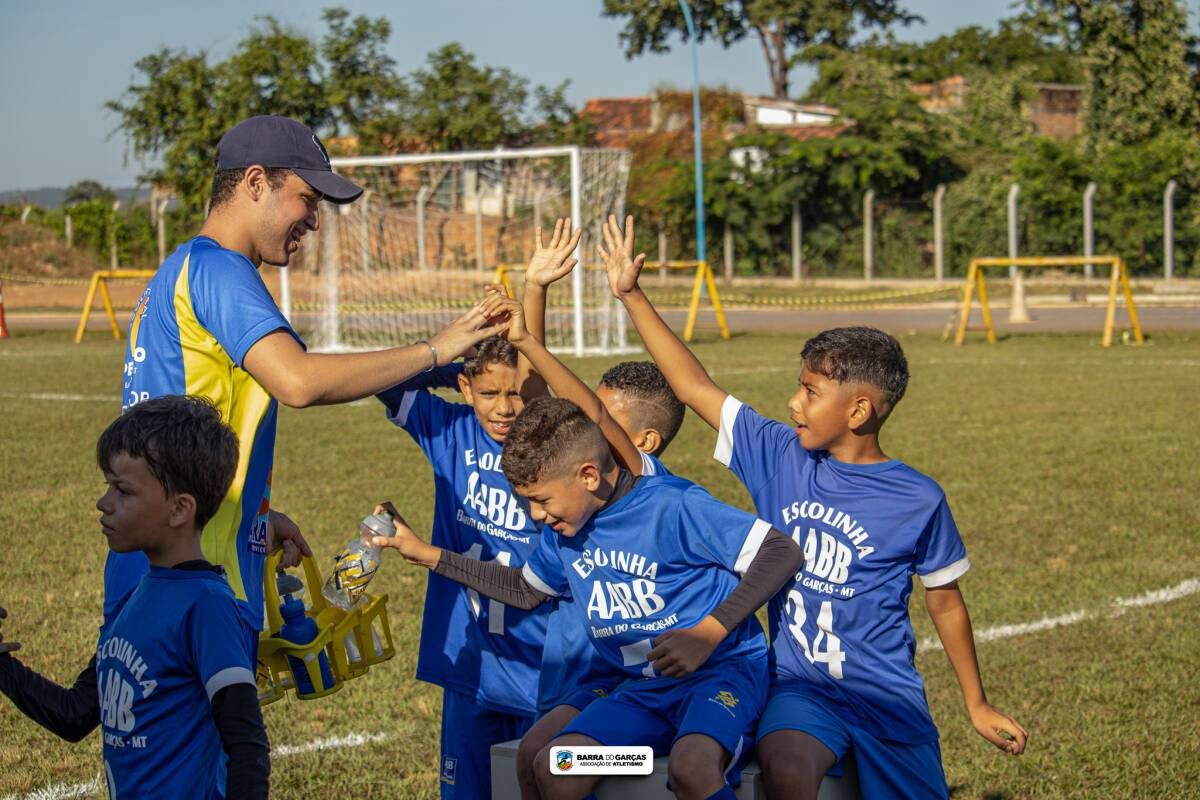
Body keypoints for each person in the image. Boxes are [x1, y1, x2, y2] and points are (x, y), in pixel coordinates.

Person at [597, 213, 1029, 799]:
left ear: (858, 412)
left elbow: (945, 602)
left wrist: (975, 703)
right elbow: (695, 387)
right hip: (802, 688)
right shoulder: (780, 455)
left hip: (887, 694)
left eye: (810, 391)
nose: (793, 402)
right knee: (785, 762)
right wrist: (632, 295)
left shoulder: (918, 497)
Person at [370, 296, 803, 800]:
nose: (536, 517)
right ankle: (641, 762)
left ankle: (678, 756)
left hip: (720, 675)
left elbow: (781, 552)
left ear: (590, 474)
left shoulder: (670, 505)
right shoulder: (568, 528)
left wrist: (706, 634)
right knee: (557, 765)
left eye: (542, 502)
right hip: (641, 690)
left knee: (691, 766)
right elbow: (525, 589)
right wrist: (427, 554)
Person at [109, 115, 509, 644]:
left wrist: (251, 517)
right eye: (307, 199)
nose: (315, 222)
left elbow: (192, 429)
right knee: (208, 728)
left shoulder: (183, 269)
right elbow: (298, 381)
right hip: (188, 585)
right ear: (255, 183)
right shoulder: (220, 270)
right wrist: (437, 349)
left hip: (164, 566)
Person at [370, 223, 583, 799]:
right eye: (488, 394)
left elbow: (548, 389)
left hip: (544, 666)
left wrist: (531, 300)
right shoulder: (450, 431)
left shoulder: (553, 444)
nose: (505, 407)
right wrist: (458, 351)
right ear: (466, 390)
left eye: (515, 393)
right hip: (471, 668)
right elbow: (386, 381)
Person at [0, 395, 270, 799]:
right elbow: (75, 715)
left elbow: (246, 743)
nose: (104, 503)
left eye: (122, 490)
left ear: (179, 509)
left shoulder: (206, 606)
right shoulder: (136, 599)